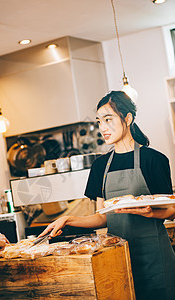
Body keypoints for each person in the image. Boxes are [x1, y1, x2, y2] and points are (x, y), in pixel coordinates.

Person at [39, 91, 175, 300]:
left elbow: (172, 211)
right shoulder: (100, 166)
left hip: (155, 258)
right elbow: (101, 217)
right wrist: (67, 219)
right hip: (117, 257)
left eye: (108, 119)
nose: (102, 127)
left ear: (127, 118)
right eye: (99, 121)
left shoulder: (154, 159)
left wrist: (151, 213)